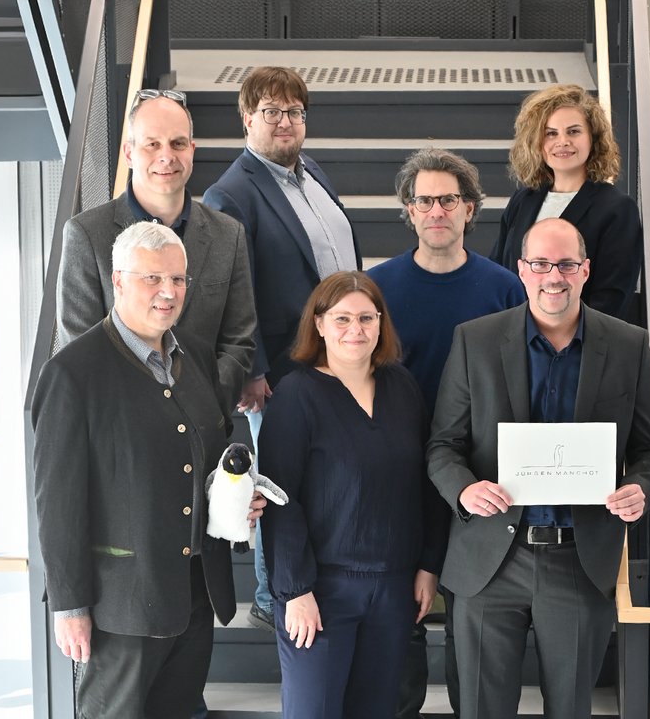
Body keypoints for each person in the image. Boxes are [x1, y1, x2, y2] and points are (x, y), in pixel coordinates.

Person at [428, 218, 650, 719]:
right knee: (481, 709)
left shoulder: (628, 346)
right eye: (540, 264)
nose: (552, 276)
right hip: (489, 561)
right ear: (522, 270)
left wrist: (640, 487)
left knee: (570, 709)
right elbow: (442, 447)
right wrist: (465, 491)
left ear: (585, 270)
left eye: (565, 265)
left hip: (580, 563)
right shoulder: (475, 341)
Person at [32, 222, 266, 718]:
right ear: (117, 281)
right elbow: (58, 505)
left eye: (178, 280)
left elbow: (210, 458)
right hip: (121, 605)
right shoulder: (73, 374)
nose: (168, 292)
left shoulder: (199, 356)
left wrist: (240, 494)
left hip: (193, 592)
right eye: (152, 279)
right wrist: (69, 607)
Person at [367, 147, 524, 718]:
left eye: (448, 200)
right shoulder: (374, 289)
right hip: (398, 472)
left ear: (470, 209)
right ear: (409, 211)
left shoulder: (506, 289)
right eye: (424, 200)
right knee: (401, 618)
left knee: (469, 617)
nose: (436, 210)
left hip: (475, 476)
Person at [202, 67, 361, 632]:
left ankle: (317, 577)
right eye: (272, 111)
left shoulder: (309, 170)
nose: (286, 121)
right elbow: (229, 292)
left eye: (294, 111)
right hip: (281, 368)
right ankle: (272, 597)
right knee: (279, 482)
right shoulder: (230, 193)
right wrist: (252, 369)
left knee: (320, 475)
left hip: (336, 354)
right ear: (247, 119)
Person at [258, 271, 446, 719]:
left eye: (366, 317)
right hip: (320, 592)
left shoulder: (402, 386)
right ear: (319, 324)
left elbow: (427, 481)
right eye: (341, 318)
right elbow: (279, 499)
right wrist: (295, 590)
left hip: (394, 587)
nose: (355, 329)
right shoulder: (295, 395)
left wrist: (428, 565)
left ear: (381, 323)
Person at [56, 88, 256, 413]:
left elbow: (239, 339)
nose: (167, 156)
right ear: (129, 153)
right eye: (152, 144)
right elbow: (81, 348)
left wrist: (202, 405)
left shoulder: (227, 234)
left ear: (192, 150)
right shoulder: (87, 235)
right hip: (123, 434)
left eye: (178, 143)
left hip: (205, 427)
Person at [489, 84, 643, 320]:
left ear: (593, 138)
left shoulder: (617, 209)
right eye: (551, 133)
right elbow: (498, 277)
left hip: (578, 348)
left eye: (573, 131)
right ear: (536, 142)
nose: (562, 142)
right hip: (513, 343)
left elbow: (611, 301)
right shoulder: (523, 200)